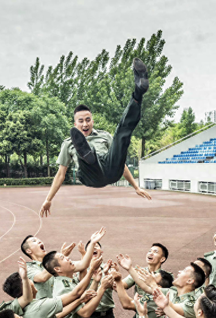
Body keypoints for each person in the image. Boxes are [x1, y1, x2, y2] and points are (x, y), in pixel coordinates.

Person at [39, 59, 152, 216]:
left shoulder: (104, 135)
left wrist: (136, 187)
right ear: (75, 124)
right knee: (87, 156)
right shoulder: (68, 143)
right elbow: (61, 174)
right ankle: (86, 153)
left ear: (92, 121)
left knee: (121, 134)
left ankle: (138, 93)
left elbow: (120, 162)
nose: (85, 124)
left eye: (88, 120)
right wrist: (48, 199)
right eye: (81, 121)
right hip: (89, 175)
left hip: (111, 170)